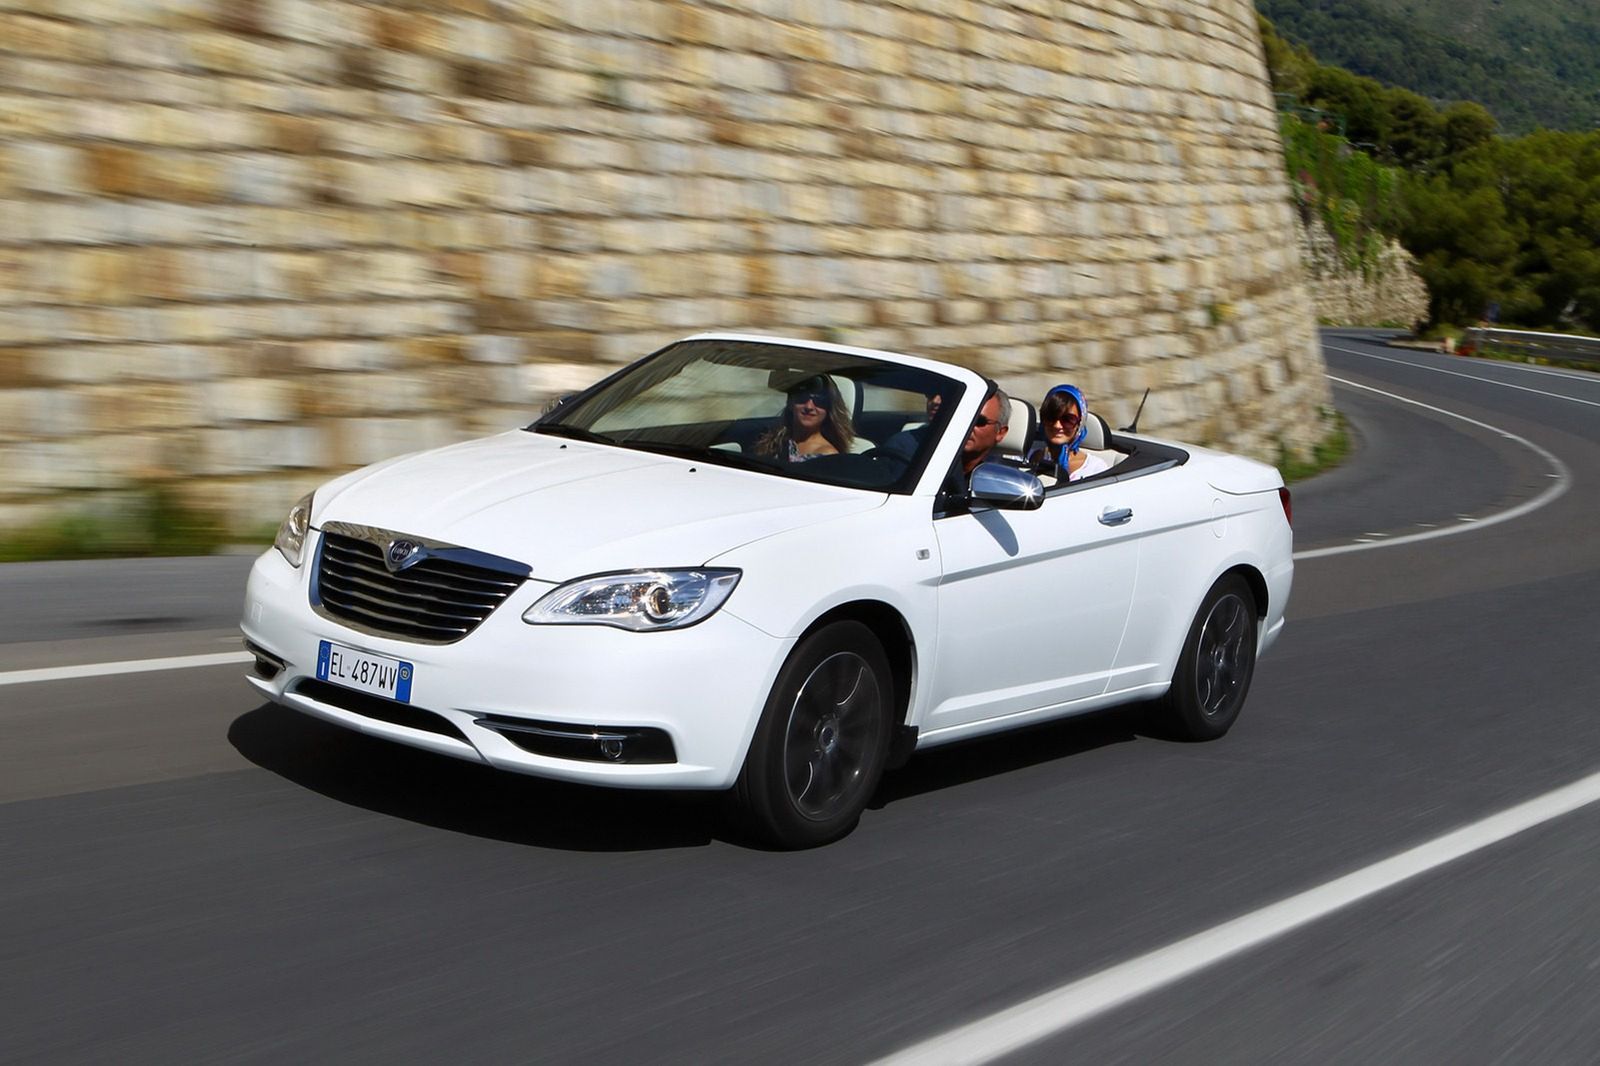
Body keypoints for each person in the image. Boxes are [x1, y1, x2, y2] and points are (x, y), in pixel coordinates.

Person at [755, 376, 855, 462]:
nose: (809, 407)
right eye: (802, 398)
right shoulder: (774, 442)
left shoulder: (828, 456)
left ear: (829, 409)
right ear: (790, 403)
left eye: (819, 401)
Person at [1027, 384, 1108, 482]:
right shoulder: (1025, 458)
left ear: (1080, 424)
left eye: (1068, 419)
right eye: (1050, 417)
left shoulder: (1095, 468)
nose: (1057, 425)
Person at [962, 386, 1009, 475]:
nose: (968, 426)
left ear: (1000, 433)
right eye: (964, 418)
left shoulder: (998, 480)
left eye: (979, 421)